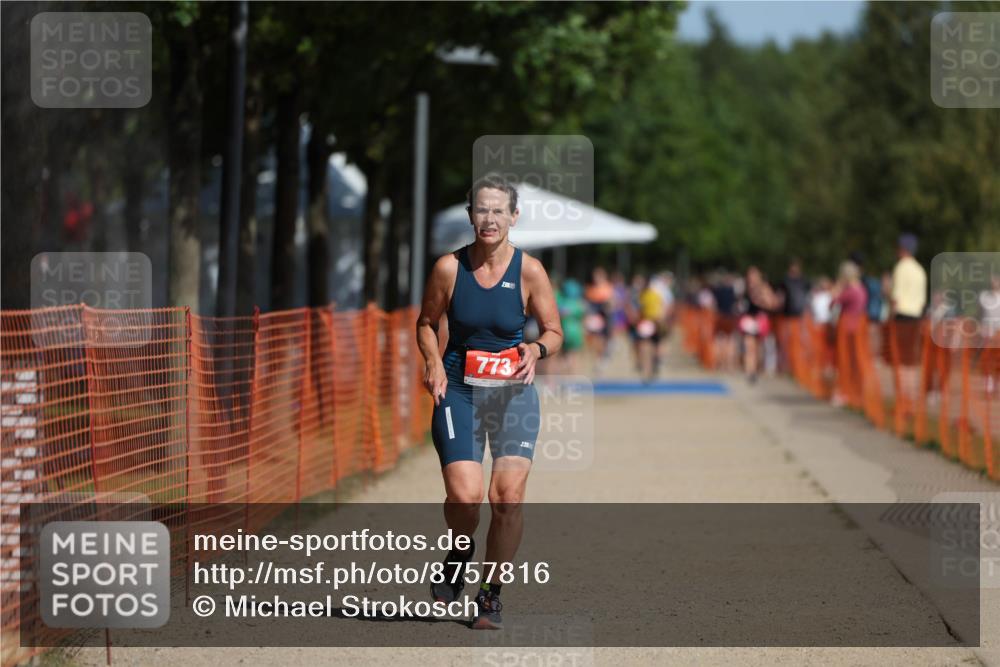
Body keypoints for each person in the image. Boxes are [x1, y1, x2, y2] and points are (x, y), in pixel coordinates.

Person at [416, 173, 562, 630]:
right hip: (458, 390)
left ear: (514, 217)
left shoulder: (530, 271)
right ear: (470, 216)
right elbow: (425, 322)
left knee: (508, 500)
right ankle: (458, 555)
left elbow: (554, 332)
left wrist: (536, 350)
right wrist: (433, 361)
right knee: (464, 498)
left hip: (512, 393)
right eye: (482, 210)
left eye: (499, 210)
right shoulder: (449, 268)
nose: (490, 218)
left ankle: (490, 595)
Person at [739, 266, 781, 383]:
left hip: (760, 320)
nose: (751, 278)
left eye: (754, 275)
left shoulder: (763, 287)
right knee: (749, 346)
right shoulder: (745, 288)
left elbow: (773, 303)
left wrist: (761, 301)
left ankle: (755, 369)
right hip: (748, 320)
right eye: (750, 275)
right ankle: (749, 372)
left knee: (758, 348)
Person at [556, 279, 586, 375]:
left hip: (565, 331)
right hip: (576, 333)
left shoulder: (561, 302)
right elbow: (583, 318)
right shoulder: (579, 304)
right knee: (574, 356)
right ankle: (571, 375)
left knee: (564, 356)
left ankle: (563, 373)